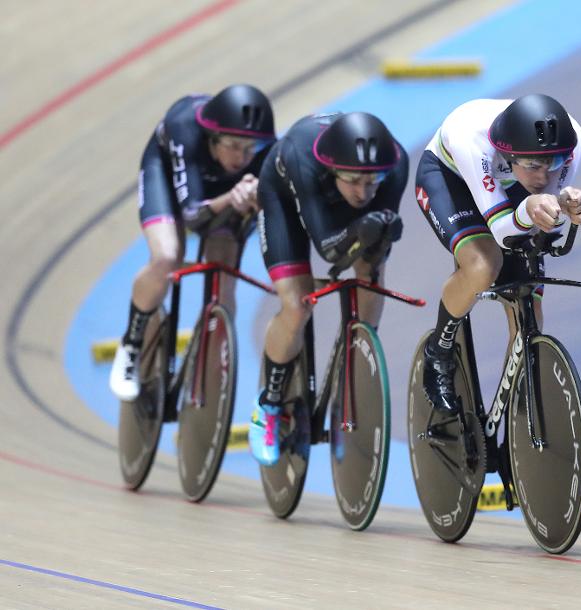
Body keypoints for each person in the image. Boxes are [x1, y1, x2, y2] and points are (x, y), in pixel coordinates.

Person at [248, 112, 408, 465]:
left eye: (372, 182)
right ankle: (269, 406)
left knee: (371, 269)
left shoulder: (395, 164)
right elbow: (329, 251)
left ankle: (360, 350)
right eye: (353, 181)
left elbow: (375, 248)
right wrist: (363, 227)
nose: (364, 192)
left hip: (339, 212)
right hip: (284, 203)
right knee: (297, 305)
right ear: (334, 170)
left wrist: (377, 233)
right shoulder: (301, 156)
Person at [415, 94, 581, 413]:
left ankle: (513, 422)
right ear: (507, 155)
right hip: (451, 179)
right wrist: (529, 211)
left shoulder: (574, 141)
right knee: (484, 264)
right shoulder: (472, 139)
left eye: (553, 164)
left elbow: (546, 207)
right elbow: (502, 233)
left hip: (510, 185)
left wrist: (567, 207)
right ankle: (438, 351)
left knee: (530, 316)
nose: (543, 176)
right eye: (535, 166)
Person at [109, 84, 276, 401]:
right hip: (171, 181)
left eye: (249, 148)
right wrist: (232, 197)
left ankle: (209, 360)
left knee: (224, 280)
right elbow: (193, 217)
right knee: (168, 258)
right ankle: (131, 343)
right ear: (213, 138)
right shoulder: (184, 128)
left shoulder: (267, 151)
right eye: (233, 146)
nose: (242, 157)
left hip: (228, 197)